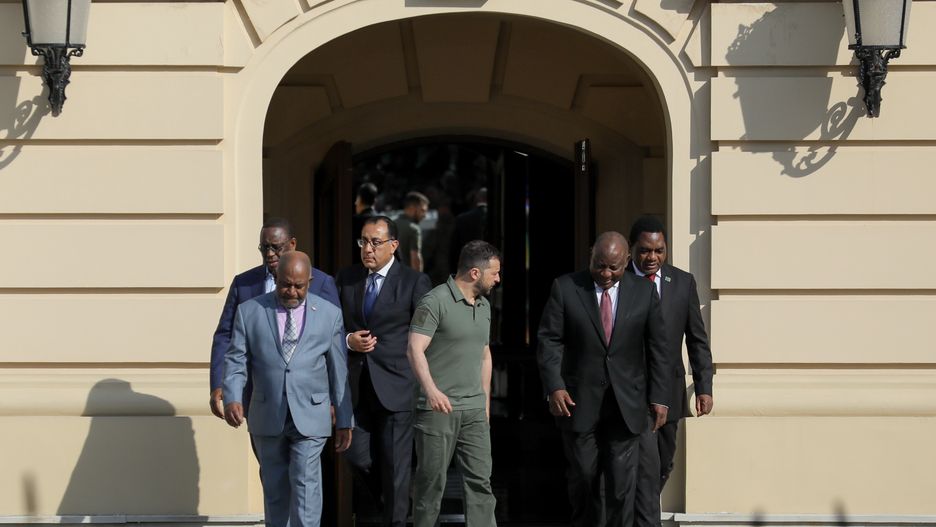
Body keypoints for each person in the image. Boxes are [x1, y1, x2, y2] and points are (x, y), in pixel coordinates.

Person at [536, 231, 669, 527]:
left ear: (627, 261)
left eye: (614, 267)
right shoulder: (567, 287)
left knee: (622, 486)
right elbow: (549, 341)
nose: (606, 274)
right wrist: (555, 385)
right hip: (579, 401)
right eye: (600, 266)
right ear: (591, 256)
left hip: (627, 405)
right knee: (584, 477)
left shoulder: (644, 292)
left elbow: (659, 347)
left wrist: (660, 397)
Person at [223, 251, 353, 527]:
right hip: (267, 412)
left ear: (310, 280)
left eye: (299, 286)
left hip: (311, 414)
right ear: (275, 278)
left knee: (306, 485)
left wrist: (344, 419)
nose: (291, 291)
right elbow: (236, 359)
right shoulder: (250, 311)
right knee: (274, 488)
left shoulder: (329, 315)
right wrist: (233, 396)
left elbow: (338, 370)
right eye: (285, 284)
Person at [336, 215, 432, 527]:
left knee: (396, 466)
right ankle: (395, 502)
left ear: (393, 245)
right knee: (358, 456)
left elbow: (427, 333)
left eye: (375, 242)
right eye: (363, 241)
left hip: (397, 384)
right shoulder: (347, 278)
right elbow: (331, 326)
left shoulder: (414, 281)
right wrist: (349, 341)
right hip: (356, 386)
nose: (367, 248)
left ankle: (396, 517)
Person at [407, 240, 501, 527]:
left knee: (480, 484)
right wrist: (432, 391)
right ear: (475, 273)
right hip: (438, 412)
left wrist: (484, 405)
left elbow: (485, 355)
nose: (497, 279)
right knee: (430, 485)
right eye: (494, 273)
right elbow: (414, 349)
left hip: (473, 410)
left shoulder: (484, 306)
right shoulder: (434, 301)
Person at [628, 216, 714, 527]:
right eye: (645, 251)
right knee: (645, 465)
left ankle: (644, 508)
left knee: (664, 462)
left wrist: (704, 385)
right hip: (633, 392)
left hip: (670, 390)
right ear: (632, 250)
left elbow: (697, 338)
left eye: (659, 251)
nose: (652, 258)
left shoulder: (681, 283)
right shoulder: (620, 281)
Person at [209, 217, 339, 420]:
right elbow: (226, 336)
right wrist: (219, 383)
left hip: (309, 401)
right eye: (264, 248)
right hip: (259, 399)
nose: (269, 254)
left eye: (276, 247)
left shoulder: (321, 283)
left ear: (292, 244)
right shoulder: (244, 284)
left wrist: (333, 399)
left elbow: (334, 347)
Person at [394, 191, 429, 271]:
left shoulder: (391, 224)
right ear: (412, 208)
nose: (424, 215)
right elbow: (416, 258)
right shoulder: (414, 229)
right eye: (422, 210)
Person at [351, 183, 379, 261]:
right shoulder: (384, 222)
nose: (355, 203)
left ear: (359, 199)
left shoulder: (353, 222)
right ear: (375, 201)